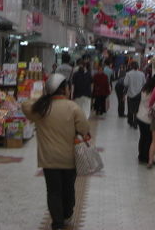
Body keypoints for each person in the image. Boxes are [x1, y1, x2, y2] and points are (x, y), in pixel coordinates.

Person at [22, 74, 90, 230]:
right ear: (65, 89)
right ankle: (67, 214)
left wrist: (43, 96)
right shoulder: (73, 107)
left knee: (53, 191)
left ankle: (57, 223)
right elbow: (85, 129)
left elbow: (25, 105)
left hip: (49, 159)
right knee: (68, 189)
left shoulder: (41, 108)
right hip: (69, 159)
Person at [136, 73, 155, 163]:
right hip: (148, 118)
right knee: (149, 139)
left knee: (143, 137)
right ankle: (147, 157)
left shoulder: (145, 88)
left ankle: (141, 156)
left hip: (140, 115)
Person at [124, 61, 146, 129]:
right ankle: (135, 123)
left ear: (131, 66)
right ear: (138, 66)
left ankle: (130, 122)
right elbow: (144, 83)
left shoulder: (128, 74)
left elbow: (125, 83)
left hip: (130, 94)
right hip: (139, 95)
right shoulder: (142, 74)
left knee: (130, 108)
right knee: (137, 109)